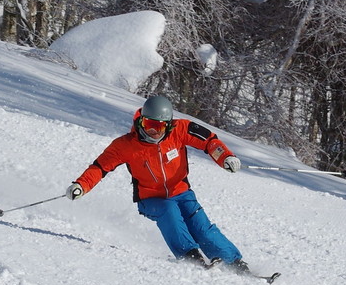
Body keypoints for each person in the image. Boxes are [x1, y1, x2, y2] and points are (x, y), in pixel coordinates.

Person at [66, 95, 249, 273]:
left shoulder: (181, 129)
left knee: (201, 227)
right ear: (141, 121)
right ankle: (191, 257)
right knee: (169, 212)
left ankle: (235, 263)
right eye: (148, 125)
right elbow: (100, 167)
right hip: (150, 198)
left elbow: (209, 141)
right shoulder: (126, 145)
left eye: (159, 127)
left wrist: (225, 157)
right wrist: (81, 186)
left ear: (168, 125)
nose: (153, 132)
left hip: (182, 192)